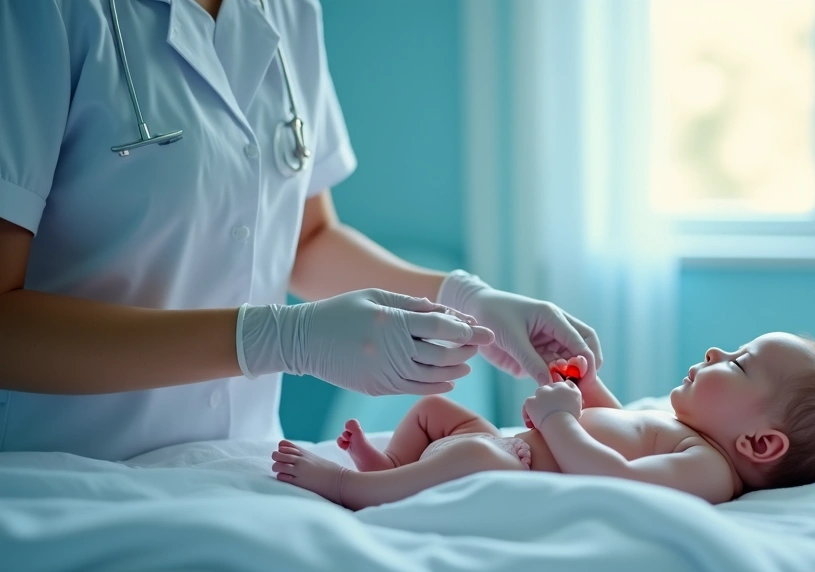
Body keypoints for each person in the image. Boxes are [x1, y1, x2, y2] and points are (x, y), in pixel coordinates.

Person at [0, 0, 600, 461]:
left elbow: (307, 241)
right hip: (71, 474)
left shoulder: (287, 10)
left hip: (241, 465)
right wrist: (278, 339)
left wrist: (465, 298)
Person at [271, 333, 815, 508]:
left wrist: (561, 423)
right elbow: (618, 427)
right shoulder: (687, 433)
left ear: (761, 442)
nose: (718, 351)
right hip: (516, 447)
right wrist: (586, 390)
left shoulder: (710, 471)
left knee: (469, 454)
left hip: (516, 467)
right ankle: (394, 467)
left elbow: (615, 477)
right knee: (435, 413)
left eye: (740, 363)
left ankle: (350, 487)